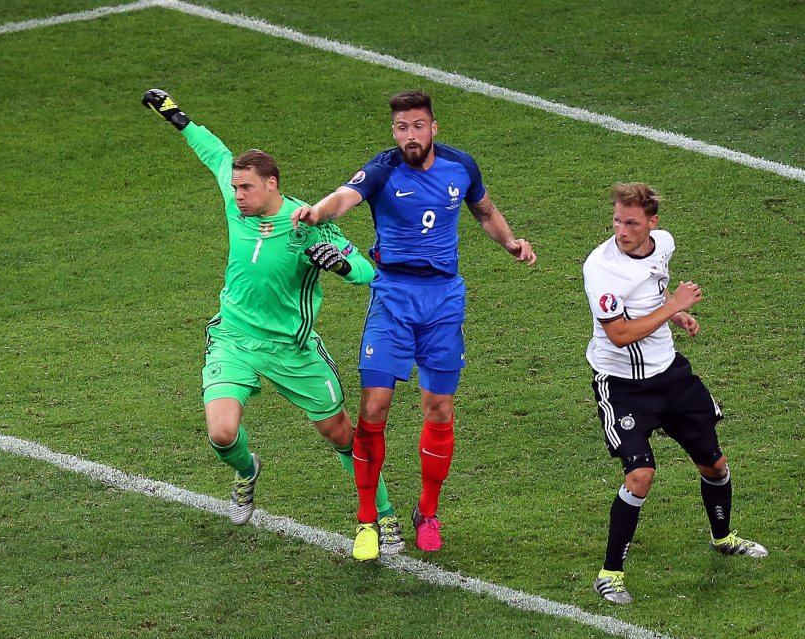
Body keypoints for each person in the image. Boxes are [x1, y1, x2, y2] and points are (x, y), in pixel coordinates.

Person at [141, 89, 406, 554]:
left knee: (343, 435)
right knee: (221, 433)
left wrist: (341, 266)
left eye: (246, 187)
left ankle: (383, 515)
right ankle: (247, 471)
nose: (236, 194)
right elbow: (215, 154)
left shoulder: (308, 221)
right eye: (235, 187)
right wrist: (176, 117)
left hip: (291, 349)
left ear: (272, 184)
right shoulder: (235, 198)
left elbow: (366, 271)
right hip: (234, 338)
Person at [291, 89, 536, 561]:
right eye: (402, 127)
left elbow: (483, 210)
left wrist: (510, 243)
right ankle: (368, 520)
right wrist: (317, 211)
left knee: (439, 407)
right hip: (394, 297)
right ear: (394, 131)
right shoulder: (384, 168)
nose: (410, 135)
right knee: (374, 407)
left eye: (418, 126)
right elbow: (347, 196)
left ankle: (428, 513)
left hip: (443, 300)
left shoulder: (460, 166)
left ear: (433, 128)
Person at [583, 182, 768, 604]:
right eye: (616, 220)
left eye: (631, 222)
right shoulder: (601, 268)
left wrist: (676, 312)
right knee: (640, 474)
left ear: (652, 223)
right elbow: (619, 335)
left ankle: (722, 537)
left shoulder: (663, 244)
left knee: (715, 464)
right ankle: (610, 573)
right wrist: (673, 306)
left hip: (672, 376)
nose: (621, 230)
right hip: (623, 386)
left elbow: (653, 286)